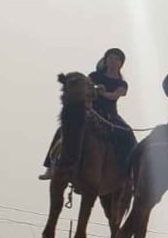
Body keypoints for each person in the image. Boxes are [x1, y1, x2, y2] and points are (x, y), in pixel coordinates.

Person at [41, 47, 132, 179]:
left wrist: (104, 93)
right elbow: (86, 87)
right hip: (91, 111)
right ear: (105, 61)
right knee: (63, 129)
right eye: (110, 58)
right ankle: (50, 167)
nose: (113, 61)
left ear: (121, 63)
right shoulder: (94, 76)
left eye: (117, 59)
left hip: (110, 115)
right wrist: (94, 89)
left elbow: (116, 95)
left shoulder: (122, 83)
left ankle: (128, 173)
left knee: (127, 133)